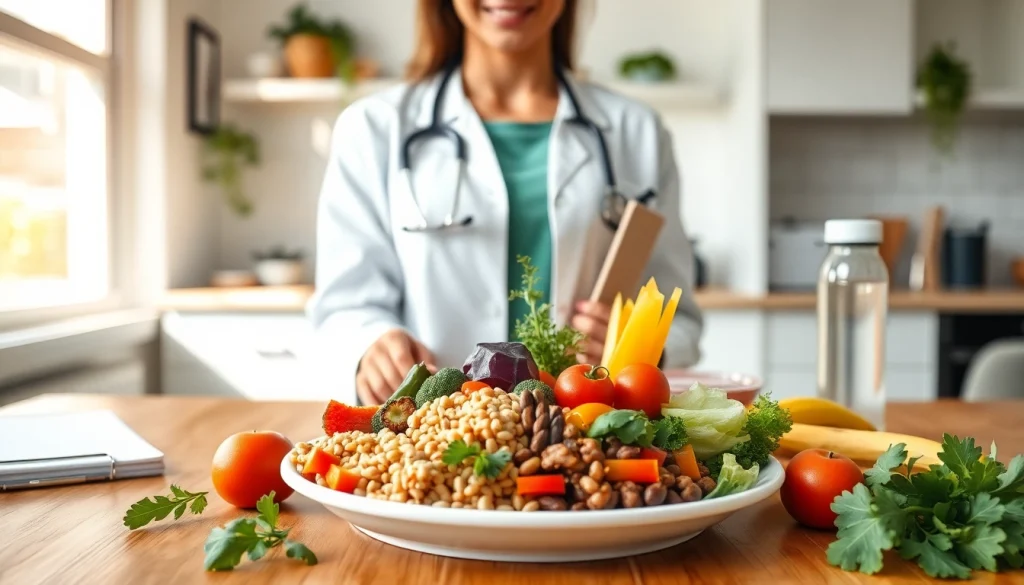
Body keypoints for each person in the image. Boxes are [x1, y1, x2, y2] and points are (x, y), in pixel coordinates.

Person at [308, 0, 703, 406]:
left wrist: (644, 344)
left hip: (585, 440)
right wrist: (370, 346)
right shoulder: (374, 128)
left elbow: (680, 318)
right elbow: (343, 308)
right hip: (428, 442)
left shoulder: (636, 132)